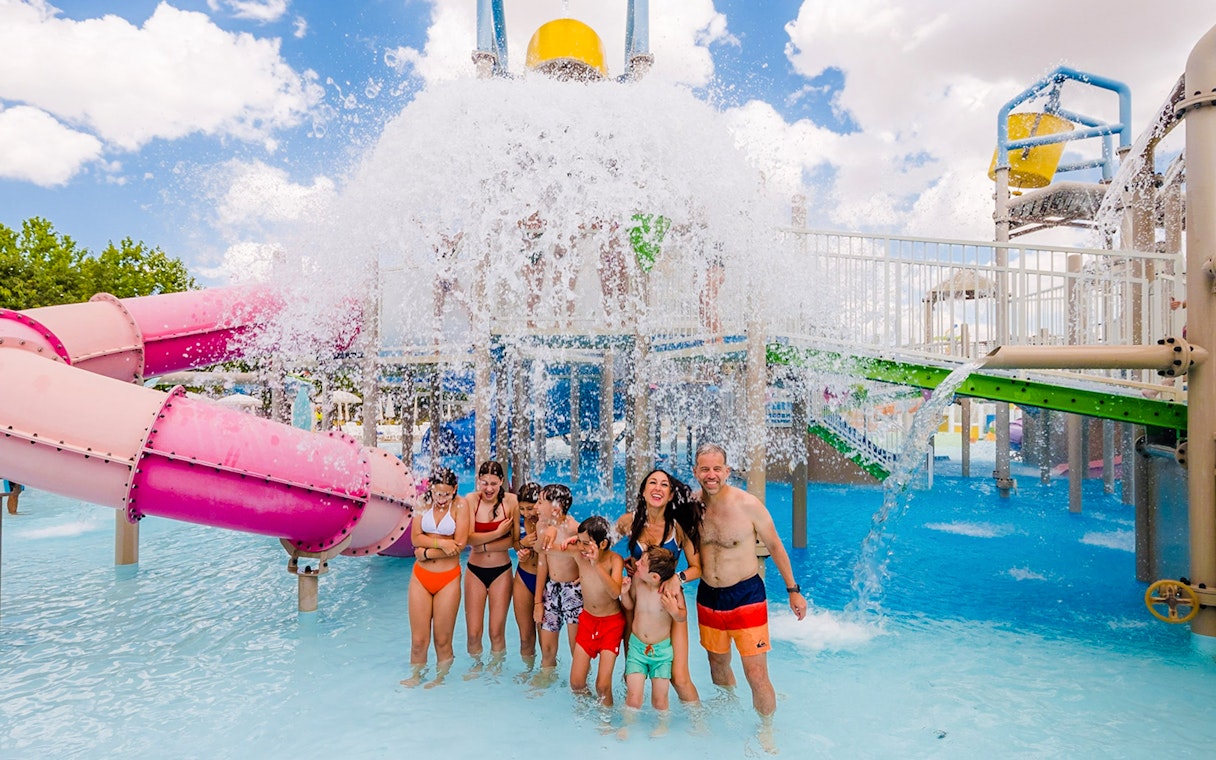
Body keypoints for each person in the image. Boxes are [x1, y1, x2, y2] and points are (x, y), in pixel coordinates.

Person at [691, 443, 808, 719]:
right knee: (717, 664)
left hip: (746, 596)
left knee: (755, 672)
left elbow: (775, 546)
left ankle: (766, 729)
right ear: (696, 472)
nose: (711, 475)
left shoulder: (748, 505)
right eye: (705, 469)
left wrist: (793, 590)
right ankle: (730, 710)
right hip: (708, 596)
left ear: (727, 471)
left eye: (717, 468)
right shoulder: (692, 507)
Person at [614, 468, 703, 703]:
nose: (658, 488)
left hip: (669, 603)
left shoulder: (678, 528)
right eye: (652, 483)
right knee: (632, 672)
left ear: (671, 495)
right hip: (635, 602)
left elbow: (697, 567)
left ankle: (698, 719)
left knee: (679, 677)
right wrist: (620, 564)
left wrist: (677, 578)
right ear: (643, 491)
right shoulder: (629, 521)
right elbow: (601, 544)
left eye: (664, 485)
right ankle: (633, 718)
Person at [403, 467, 469, 688]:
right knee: (418, 640)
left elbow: (459, 545)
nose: (441, 499)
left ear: (455, 489)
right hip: (421, 577)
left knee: (442, 640)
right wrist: (440, 543)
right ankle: (416, 676)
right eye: (437, 493)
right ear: (431, 489)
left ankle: (441, 679)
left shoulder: (461, 506)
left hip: (448, 579)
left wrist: (426, 553)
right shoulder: (423, 502)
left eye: (446, 494)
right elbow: (415, 538)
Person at [554, 515, 625, 706]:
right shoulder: (579, 554)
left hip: (611, 624)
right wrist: (559, 537)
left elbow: (615, 592)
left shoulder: (615, 560)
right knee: (576, 683)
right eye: (580, 542)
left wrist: (596, 565)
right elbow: (546, 548)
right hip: (588, 621)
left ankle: (606, 718)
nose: (582, 547)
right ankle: (588, 712)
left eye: (586, 543)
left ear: (603, 544)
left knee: (602, 686)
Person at [619, 546, 686, 734]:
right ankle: (627, 726)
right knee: (634, 698)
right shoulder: (637, 582)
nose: (637, 563)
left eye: (642, 563)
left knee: (660, 700)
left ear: (655, 577)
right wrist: (624, 593)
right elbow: (629, 606)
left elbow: (682, 616)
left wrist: (674, 610)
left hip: (661, 653)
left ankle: (662, 726)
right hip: (637, 649)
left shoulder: (670, 592)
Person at [462, 461, 518, 666]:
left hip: (501, 572)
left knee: (496, 632)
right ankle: (476, 668)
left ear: (502, 481)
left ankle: (496, 670)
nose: (489, 488)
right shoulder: (471, 500)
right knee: (473, 634)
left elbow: (513, 541)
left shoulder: (511, 501)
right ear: (478, 480)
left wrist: (483, 545)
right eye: (484, 483)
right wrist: (497, 533)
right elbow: (468, 538)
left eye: (494, 483)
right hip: (475, 571)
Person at [532, 483, 582, 683]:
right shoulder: (541, 526)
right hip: (552, 589)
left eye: (540, 502)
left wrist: (585, 576)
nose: (536, 507)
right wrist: (538, 602)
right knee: (547, 648)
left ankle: (580, 684)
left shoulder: (574, 529)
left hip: (574, 591)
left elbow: (591, 556)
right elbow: (542, 564)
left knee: (576, 648)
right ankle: (546, 678)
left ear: (555, 508)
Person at [511, 482, 543, 663]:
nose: (526, 513)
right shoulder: (520, 518)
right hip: (524, 576)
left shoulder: (548, 521)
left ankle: (546, 673)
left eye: (530, 508)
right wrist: (523, 546)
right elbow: (515, 543)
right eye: (522, 508)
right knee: (525, 638)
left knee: (545, 640)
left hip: (545, 580)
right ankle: (528, 671)